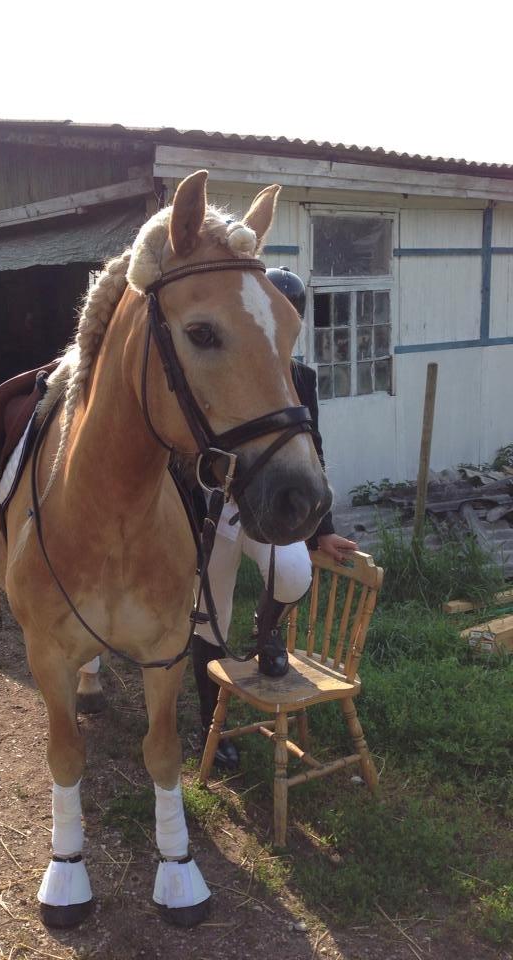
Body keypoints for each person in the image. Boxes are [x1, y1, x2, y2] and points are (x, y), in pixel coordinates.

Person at [192, 267, 357, 771]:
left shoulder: (301, 378)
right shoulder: (228, 369)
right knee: (208, 614)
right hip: (216, 505)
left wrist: (321, 530)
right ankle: (207, 723)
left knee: (293, 574)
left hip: (265, 510)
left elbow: (312, 451)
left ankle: (268, 633)